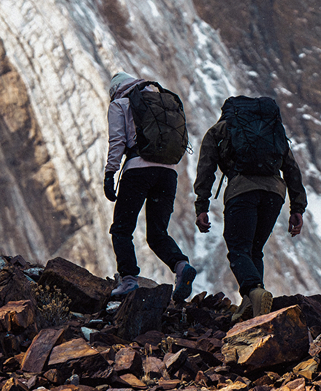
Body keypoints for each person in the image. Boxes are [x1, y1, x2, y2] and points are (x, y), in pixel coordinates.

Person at [193, 96, 306, 320]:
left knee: (238, 248)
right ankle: (252, 304)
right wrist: (297, 208)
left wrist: (201, 206)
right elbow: (291, 168)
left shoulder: (219, 130)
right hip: (274, 193)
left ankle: (254, 290)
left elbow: (206, 170)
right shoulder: (273, 131)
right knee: (255, 249)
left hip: (242, 190)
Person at [104, 72, 197, 302]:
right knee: (157, 233)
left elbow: (117, 141)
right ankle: (181, 265)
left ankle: (128, 280)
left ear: (115, 90)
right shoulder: (159, 102)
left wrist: (110, 173)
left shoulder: (120, 104)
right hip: (167, 174)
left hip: (138, 171)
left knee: (122, 229)